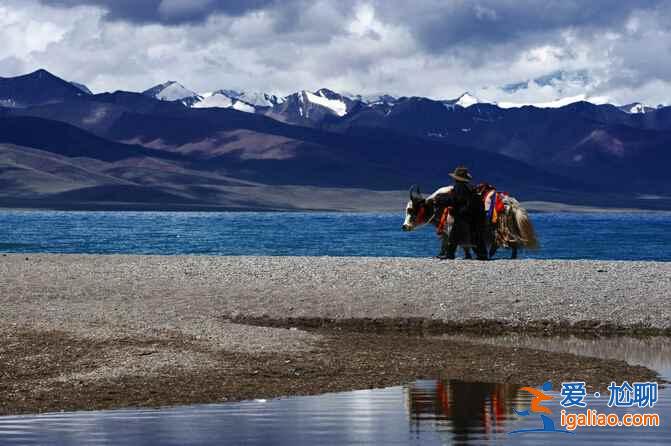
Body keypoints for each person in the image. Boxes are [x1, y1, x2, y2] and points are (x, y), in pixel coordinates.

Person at [434, 166, 488, 260]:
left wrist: (439, 199)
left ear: (456, 178)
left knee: (454, 235)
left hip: (464, 215)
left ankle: (450, 254)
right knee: (475, 236)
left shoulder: (459, 187)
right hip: (476, 215)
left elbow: (454, 199)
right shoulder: (469, 187)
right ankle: (482, 254)